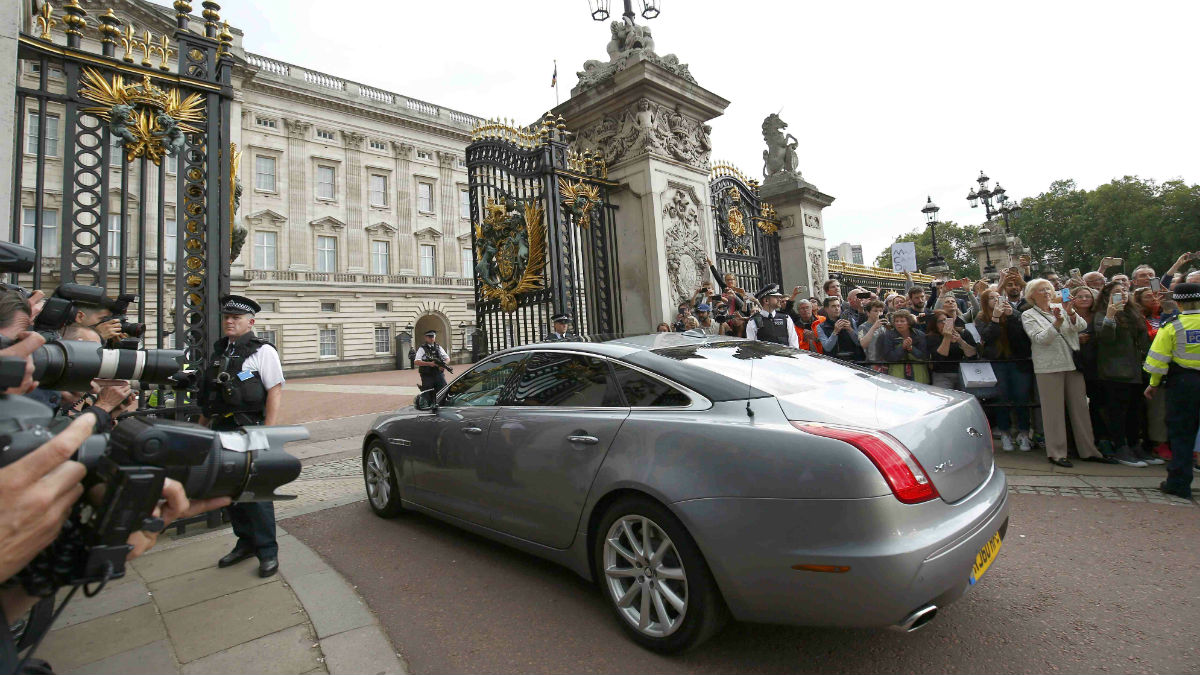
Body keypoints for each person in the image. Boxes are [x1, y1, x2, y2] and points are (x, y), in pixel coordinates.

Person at [199, 294, 286, 578]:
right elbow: (210, 397)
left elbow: (274, 391)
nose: (229, 321)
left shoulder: (263, 351)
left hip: (250, 428)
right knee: (230, 491)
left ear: (250, 322)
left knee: (256, 494)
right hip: (221, 430)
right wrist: (202, 429)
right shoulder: (220, 351)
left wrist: (268, 432)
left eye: (235, 318)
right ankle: (245, 542)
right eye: (226, 317)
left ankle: (267, 551)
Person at [1020, 279, 1110, 467]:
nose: (1046, 292)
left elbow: (1081, 326)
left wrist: (1070, 313)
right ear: (1032, 295)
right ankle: (1057, 452)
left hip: (1072, 364)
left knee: (1081, 409)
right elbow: (1040, 339)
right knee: (1053, 411)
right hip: (1049, 366)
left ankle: (1088, 450)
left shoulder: (1059, 306)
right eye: (1041, 290)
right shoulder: (1028, 315)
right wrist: (1057, 323)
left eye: (1048, 289)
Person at [1143, 283, 1200, 499]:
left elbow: (1158, 360)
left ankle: (1179, 483)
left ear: (1177, 302)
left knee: (1181, 434)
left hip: (1184, 383)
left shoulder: (1172, 326)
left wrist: (1154, 383)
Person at [1095, 282, 1153, 467]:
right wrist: (1110, 316)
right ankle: (1121, 447)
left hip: (1135, 370)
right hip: (1115, 372)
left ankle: (1135, 445)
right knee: (1118, 412)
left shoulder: (1134, 313)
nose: (1123, 294)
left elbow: (1143, 341)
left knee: (1135, 412)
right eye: (1117, 292)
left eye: (1125, 291)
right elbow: (1105, 339)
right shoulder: (1102, 313)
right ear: (1107, 296)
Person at [976, 288, 1035, 451]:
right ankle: (1005, 433)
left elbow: (1022, 338)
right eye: (992, 298)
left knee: (1021, 397)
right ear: (985, 302)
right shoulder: (981, 318)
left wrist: (1012, 316)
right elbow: (987, 337)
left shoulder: (1015, 315)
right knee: (1001, 399)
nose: (997, 300)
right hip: (997, 362)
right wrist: (995, 318)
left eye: (998, 297)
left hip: (1018, 361)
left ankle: (1023, 433)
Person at [1072, 286, 1116, 460]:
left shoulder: (1099, 315)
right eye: (1080, 296)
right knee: (1078, 406)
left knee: (1099, 404)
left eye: (1087, 296)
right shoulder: (1067, 315)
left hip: (1097, 364)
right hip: (1075, 364)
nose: (1084, 299)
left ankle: (1103, 439)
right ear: (1073, 299)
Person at [928, 305, 978, 390]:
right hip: (942, 374)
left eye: (946, 320)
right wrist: (947, 337)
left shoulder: (963, 333)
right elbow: (940, 358)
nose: (944, 323)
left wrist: (960, 341)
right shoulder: (931, 337)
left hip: (965, 373)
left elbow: (973, 355)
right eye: (940, 321)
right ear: (935, 324)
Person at [882, 309, 929, 383]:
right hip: (897, 374)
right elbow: (889, 357)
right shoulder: (889, 335)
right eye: (896, 321)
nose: (899, 324)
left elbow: (924, 356)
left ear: (909, 323)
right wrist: (902, 347)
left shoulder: (920, 335)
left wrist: (911, 349)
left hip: (918, 374)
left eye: (902, 321)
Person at [818, 297, 865, 361]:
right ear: (826, 309)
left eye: (838, 306)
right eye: (833, 306)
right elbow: (827, 348)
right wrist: (835, 332)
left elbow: (859, 342)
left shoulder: (850, 320)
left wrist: (850, 329)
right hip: (834, 362)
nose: (837, 308)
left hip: (854, 360)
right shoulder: (821, 327)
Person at [857, 300, 888, 371]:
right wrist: (874, 327)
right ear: (868, 313)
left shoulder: (885, 325)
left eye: (880, 311)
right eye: (875, 311)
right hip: (872, 364)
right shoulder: (861, 327)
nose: (879, 313)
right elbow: (863, 344)